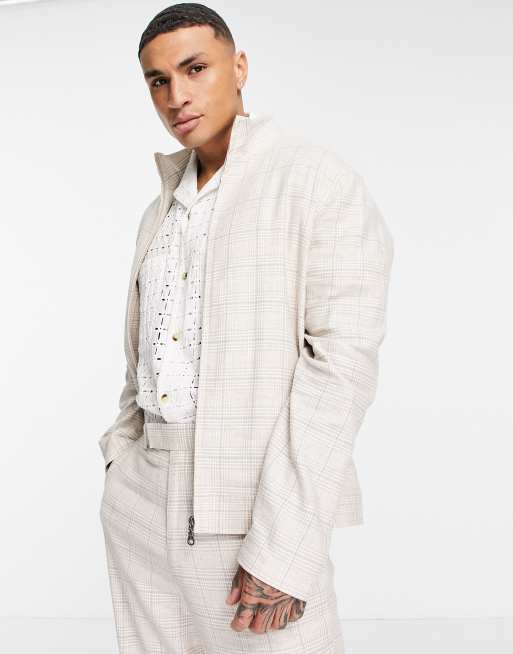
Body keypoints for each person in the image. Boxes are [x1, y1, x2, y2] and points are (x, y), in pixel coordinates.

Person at [98, 3, 394, 653]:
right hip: (141, 503)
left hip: (252, 505)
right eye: (157, 80)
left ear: (238, 67)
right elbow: (143, 354)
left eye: (194, 69)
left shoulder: (312, 180)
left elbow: (341, 366)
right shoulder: (159, 208)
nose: (176, 96)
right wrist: (120, 459)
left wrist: (285, 545)